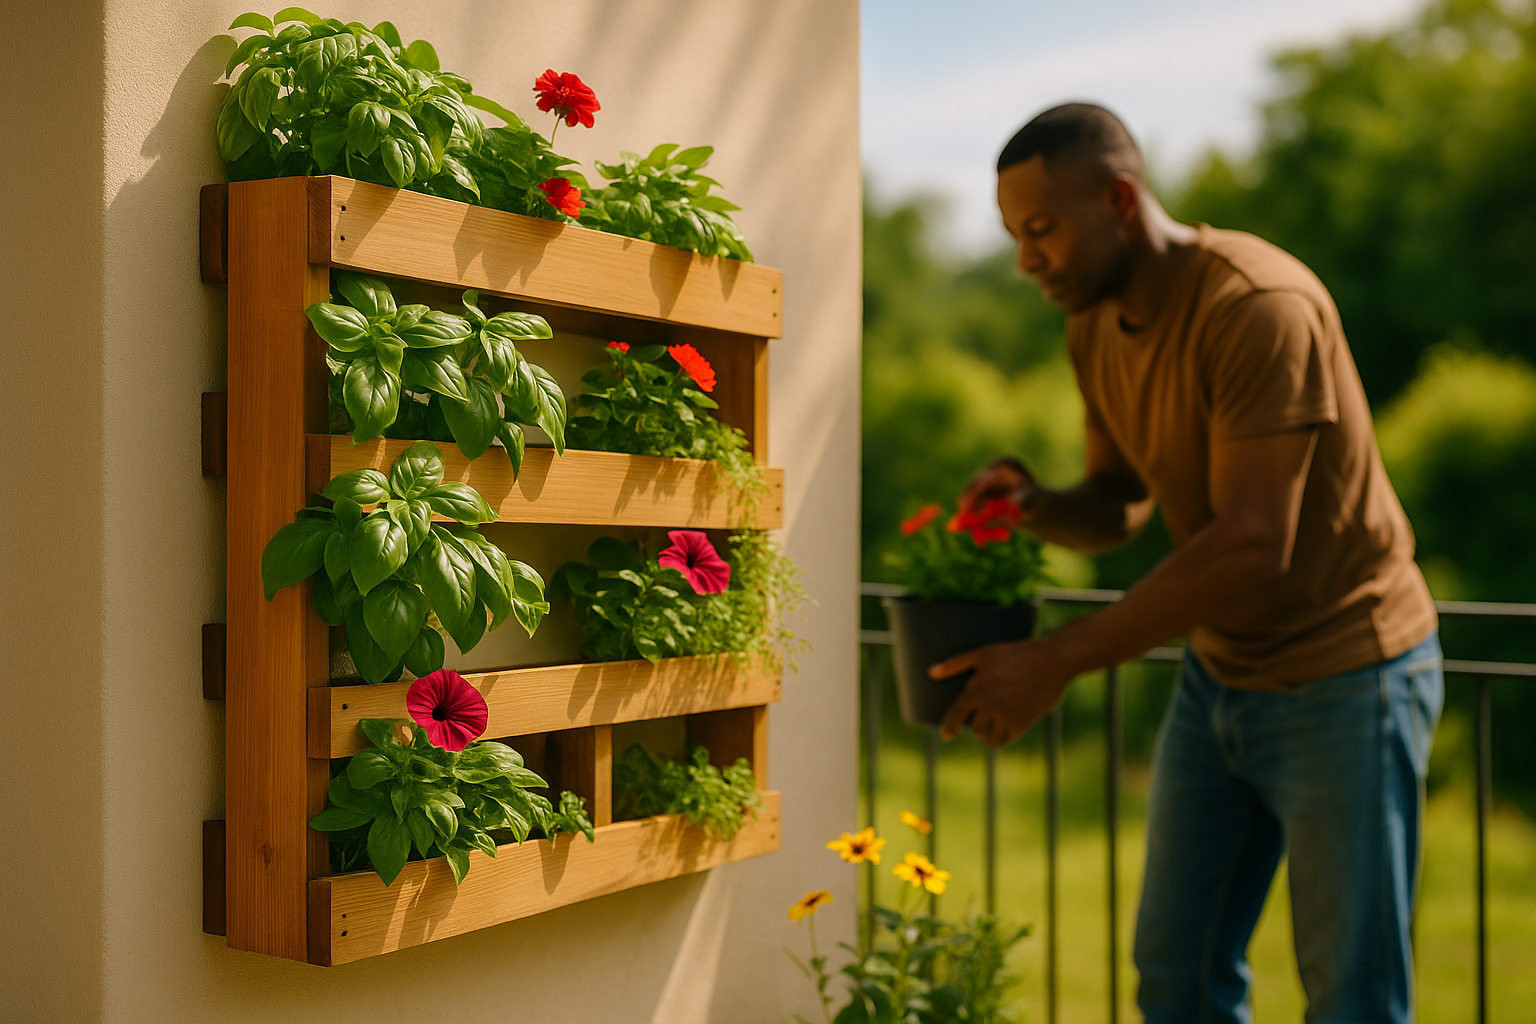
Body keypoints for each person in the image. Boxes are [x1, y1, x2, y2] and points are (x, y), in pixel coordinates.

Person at [930, 103, 1443, 1024]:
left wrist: (1055, 659)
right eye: (1014, 236)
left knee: (1353, 997)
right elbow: (1120, 501)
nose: (1026, 261)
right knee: (1178, 979)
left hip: (1348, 675)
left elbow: (1254, 544)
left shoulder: (1258, 307)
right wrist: (1037, 505)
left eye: (1041, 229)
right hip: (1221, 677)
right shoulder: (1093, 325)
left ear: (1120, 198)